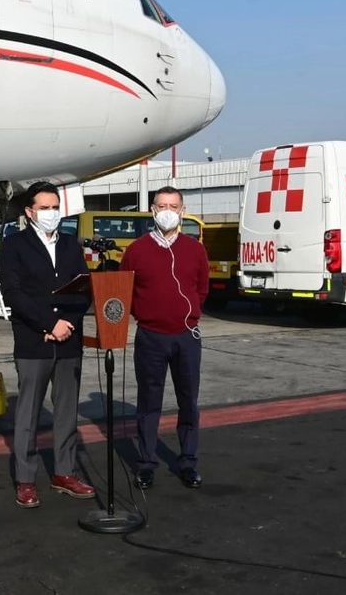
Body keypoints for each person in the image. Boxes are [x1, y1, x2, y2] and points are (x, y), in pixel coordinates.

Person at [0, 181, 94, 507]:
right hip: (33, 342)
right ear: (30, 212)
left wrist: (68, 325)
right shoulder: (14, 246)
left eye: (56, 207)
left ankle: (64, 472)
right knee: (28, 414)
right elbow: (14, 294)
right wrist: (48, 324)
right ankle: (26, 479)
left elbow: (84, 290)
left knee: (66, 413)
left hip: (68, 341)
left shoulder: (71, 245)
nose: (52, 213)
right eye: (45, 208)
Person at [120, 186, 209, 490]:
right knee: (148, 401)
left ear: (182, 211)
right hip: (151, 337)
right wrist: (145, 314)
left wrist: (189, 314)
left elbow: (201, 288)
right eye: (162, 205)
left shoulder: (195, 249)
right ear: (153, 210)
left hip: (186, 336)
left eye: (174, 205)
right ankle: (146, 463)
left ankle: (188, 461)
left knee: (188, 401)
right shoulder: (136, 250)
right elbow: (125, 292)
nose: (168, 210)